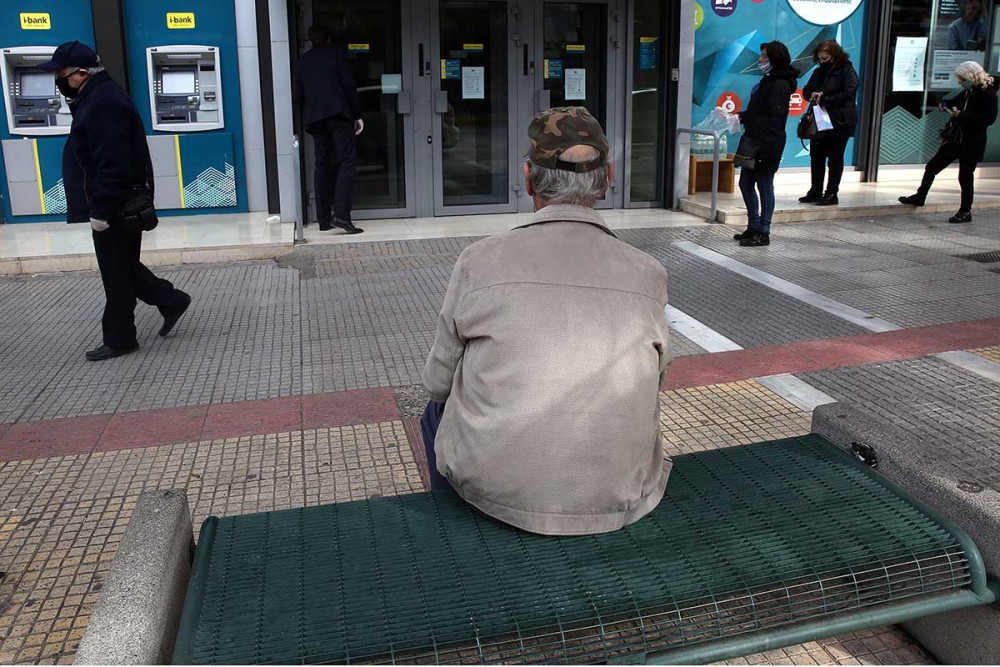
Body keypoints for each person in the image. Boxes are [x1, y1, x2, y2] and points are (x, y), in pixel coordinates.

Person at [420, 107, 673, 536]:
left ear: (527, 177)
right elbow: (657, 377)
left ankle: (453, 528)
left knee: (433, 411)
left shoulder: (479, 261)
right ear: (607, 177)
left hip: (494, 497)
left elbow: (436, 384)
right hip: (622, 498)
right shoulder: (648, 271)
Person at [40, 42, 191, 361]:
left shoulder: (103, 102)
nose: (58, 81)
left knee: (115, 271)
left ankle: (122, 338)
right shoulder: (94, 97)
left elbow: (112, 162)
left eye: (61, 74)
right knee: (120, 265)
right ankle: (170, 300)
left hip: (116, 203)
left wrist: (101, 209)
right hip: (114, 201)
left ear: (81, 74)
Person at [899, 61, 998, 223]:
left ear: (970, 76)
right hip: (955, 139)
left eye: (961, 78)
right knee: (932, 167)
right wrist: (945, 104)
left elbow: (989, 119)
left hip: (972, 141)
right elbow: (956, 101)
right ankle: (920, 196)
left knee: (965, 177)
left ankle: (965, 211)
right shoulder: (969, 90)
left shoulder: (988, 93)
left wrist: (962, 115)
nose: (960, 82)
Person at [293, 24, 364, 234]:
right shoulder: (337, 54)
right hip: (339, 114)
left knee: (321, 163)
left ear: (310, 40)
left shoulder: (303, 61)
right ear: (329, 38)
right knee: (347, 160)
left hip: (315, 118)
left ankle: (323, 219)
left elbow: (297, 95)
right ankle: (341, 215)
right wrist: (357, 114)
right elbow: (349, 85)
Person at [733, 41, 799, 247]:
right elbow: (758, 112)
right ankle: (753, 225)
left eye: (764, 56)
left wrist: (765, 146)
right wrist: (742, 117)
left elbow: (774, 119)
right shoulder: (767, 81)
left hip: (767, 143)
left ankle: (764, 230)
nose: (760, 60)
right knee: (745, 184)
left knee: (764, 186)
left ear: (774, 59)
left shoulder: (779, 84)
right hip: (754, 140)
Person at [799, 40, 859, 207]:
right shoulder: (819, 72)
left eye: (825, 59)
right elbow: (806, 90)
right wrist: (812, 95)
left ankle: (832, 192)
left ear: (835, 56)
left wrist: (825, 98)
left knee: (835, 158)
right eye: (819, 59)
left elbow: (849, 92)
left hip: (840, 121)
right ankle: (815, 190)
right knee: (816, 157)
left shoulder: (847, 70)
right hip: (820, 121)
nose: (822, 62)